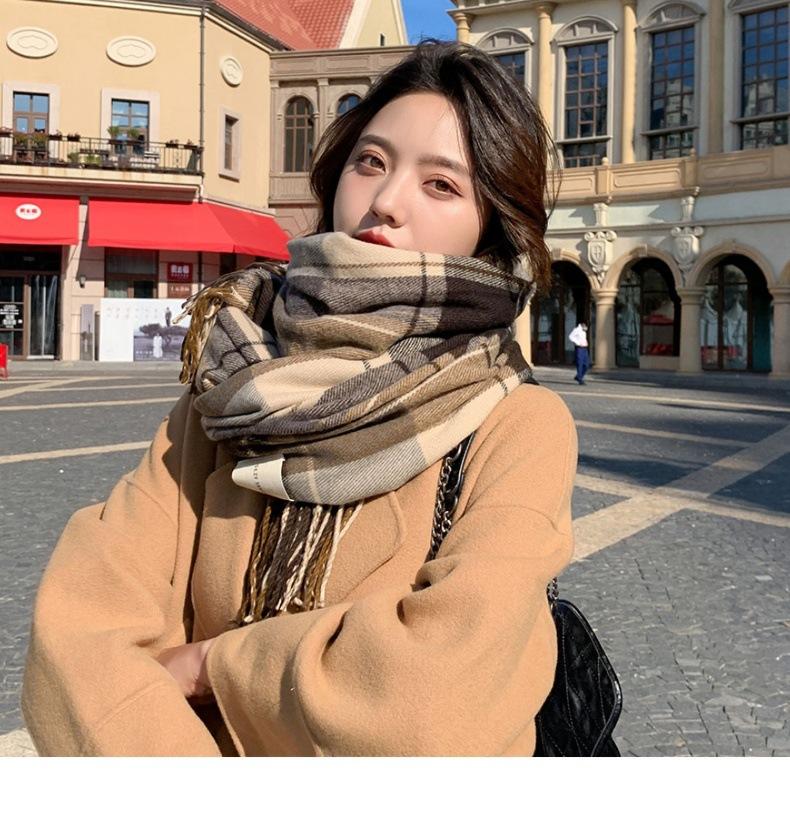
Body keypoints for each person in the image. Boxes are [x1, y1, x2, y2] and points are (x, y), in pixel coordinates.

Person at [22, 40, 578, 756]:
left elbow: (436, 699)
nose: (385, 201)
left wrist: (211, 666)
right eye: (370, 162)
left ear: (490, 226)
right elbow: (76, 635)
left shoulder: (518, 425)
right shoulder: (227, 389)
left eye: (441, 185)